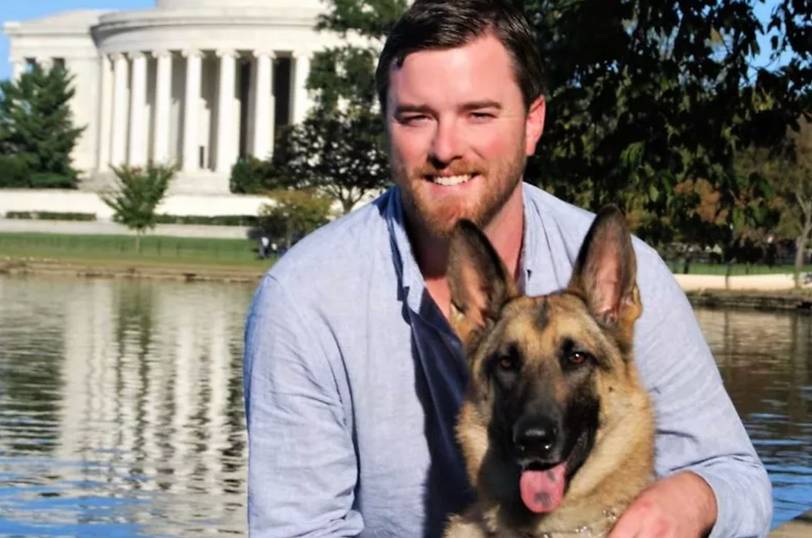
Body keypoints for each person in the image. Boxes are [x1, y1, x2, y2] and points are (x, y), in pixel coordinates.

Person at [243, 1, 772, 537]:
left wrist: (686, 502)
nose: (446, 148)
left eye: (479, 114)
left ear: (532, 123)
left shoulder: (625, 273)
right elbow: (300, 530)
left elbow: (737, 477)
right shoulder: (304, 300)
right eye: (416, 117)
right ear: (386, 125)